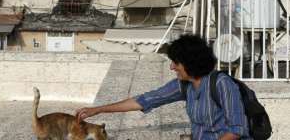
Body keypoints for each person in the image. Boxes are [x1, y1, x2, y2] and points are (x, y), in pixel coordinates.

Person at [75, 34, 252, 140]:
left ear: (190, 62)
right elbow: (145, 100)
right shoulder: (184, 85)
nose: (171, 67)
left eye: (176, 63)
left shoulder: (222, 84)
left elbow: (236, 130)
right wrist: (97, 110)